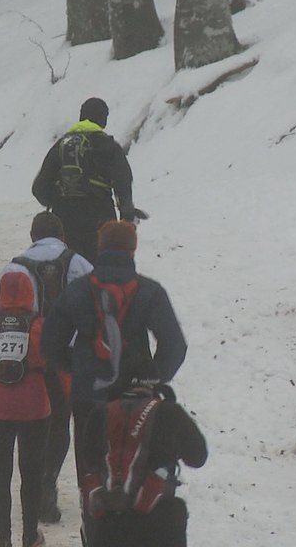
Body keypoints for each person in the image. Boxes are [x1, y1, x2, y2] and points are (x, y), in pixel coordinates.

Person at [40, 220, 187, 547]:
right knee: (139, 465)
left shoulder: (77, 291)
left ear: (100, 248)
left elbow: (49, 344)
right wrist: (152, 379)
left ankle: (95, 533)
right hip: (139, 403)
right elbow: (175, 345)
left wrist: (77, 368)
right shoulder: (149, 291)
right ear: (133, 250)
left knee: (92, 472)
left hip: (88, 399)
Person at [0, 211, 93, 523]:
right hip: (68, 360)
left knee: (34, 425)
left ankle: (32, 485)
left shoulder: (15, 267)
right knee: (60, 423)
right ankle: (49, 479)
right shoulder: (79, 264)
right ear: (62, 236)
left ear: (32, 236)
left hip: (27, 363)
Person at [78, 351, 207, 547]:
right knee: (175, 511)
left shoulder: (101, 412)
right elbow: (198, 457)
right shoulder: (169, 412)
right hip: (159, 523)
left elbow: (88, 461)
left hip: (109, 525)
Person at [0, 270, 51, 547]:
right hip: (34, 409)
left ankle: (3, 539)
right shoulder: (40, 326)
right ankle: (30, 536)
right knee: (32, 474)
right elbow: (56, 365)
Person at [31, 98, 137, 263]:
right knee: (100, 268)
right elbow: (123, 182)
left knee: (70, 268)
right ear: (103, 119)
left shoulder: (61, 145)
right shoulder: (109, 146)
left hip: (65, 218)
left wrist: (57, 201)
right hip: (100, 216)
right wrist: (126, 217)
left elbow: (39, 188)